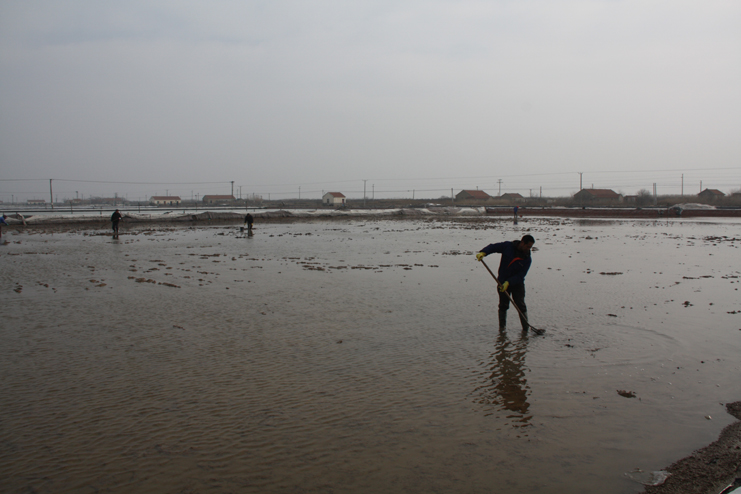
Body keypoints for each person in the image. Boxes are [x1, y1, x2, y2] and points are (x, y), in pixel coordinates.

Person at [475, 234, 535, 331]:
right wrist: (484, 252)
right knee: (503, 305)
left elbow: (521, 275)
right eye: (528, 246)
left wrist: (509, 282)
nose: (529, 249)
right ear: (522, 243)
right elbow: (494, 247)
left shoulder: (527, 259)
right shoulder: (508, 246)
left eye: (530, 247)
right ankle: (502, 330)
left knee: (520, 305)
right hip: (501, 283)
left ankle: (526, 329)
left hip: (517, 284)